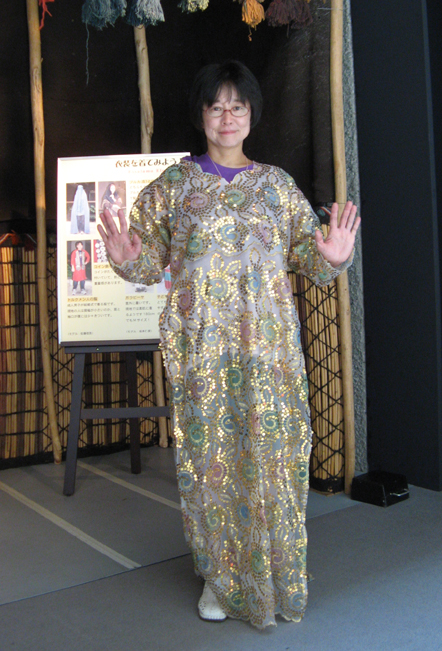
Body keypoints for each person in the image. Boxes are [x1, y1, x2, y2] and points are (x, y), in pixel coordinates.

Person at [98, 61, 360, 629]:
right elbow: (146, 259)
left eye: (237, 106)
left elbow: (310, 258)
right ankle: (220, 579)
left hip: (269, 354)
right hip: (203, 353)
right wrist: (126, 260)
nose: (227, 117)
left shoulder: (277, 187)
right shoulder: (174, 186)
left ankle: (277, 575)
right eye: (215, 106)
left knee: (272, 457)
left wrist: (334, 258)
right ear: (201, 115)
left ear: (251, 114)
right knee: (212, 460)